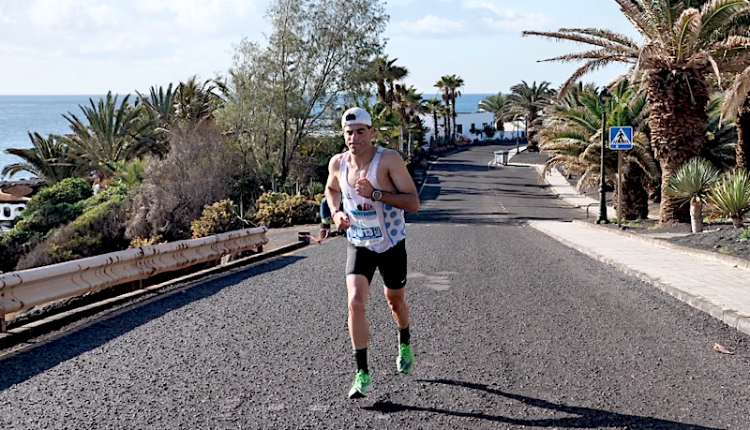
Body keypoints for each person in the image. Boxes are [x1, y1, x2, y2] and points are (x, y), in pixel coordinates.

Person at [324, 107, 420, 399]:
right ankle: (362, 373)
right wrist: (335, 213)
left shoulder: (388, 159)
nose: (355, 138)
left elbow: (413, 203)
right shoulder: (338, 163)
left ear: (371, 132)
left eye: (361, 131)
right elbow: (331, 189)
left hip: (390, 244)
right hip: (359, 243)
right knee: (355, 301)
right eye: (349, 132)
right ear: (344, 135)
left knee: (395, 301)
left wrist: (375, 194)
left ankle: (404, 340)